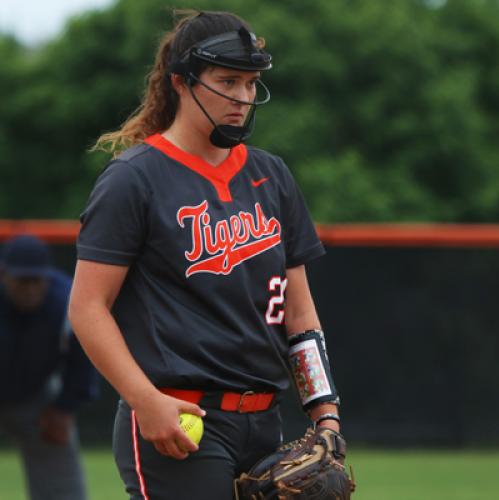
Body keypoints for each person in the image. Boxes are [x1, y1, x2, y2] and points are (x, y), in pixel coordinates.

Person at [69, 10, 343, 500]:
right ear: (181, 82)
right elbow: (87, 308)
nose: (242, 97)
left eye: (251, 83)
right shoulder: (134, 178)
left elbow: (299, 315)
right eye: (227, 81)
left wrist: (325, 411)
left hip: (265, 422)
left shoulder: (271, 175)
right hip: (179, 419)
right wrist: (143, 400)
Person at [0, 234, 98, 500]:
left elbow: (84, 357)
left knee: (63, 485)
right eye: (23, 280)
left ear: (47, 276)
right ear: (3, 274)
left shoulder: (67, 301)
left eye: (36, 279)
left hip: (35, 396)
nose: (30, 287)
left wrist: (64, 408)